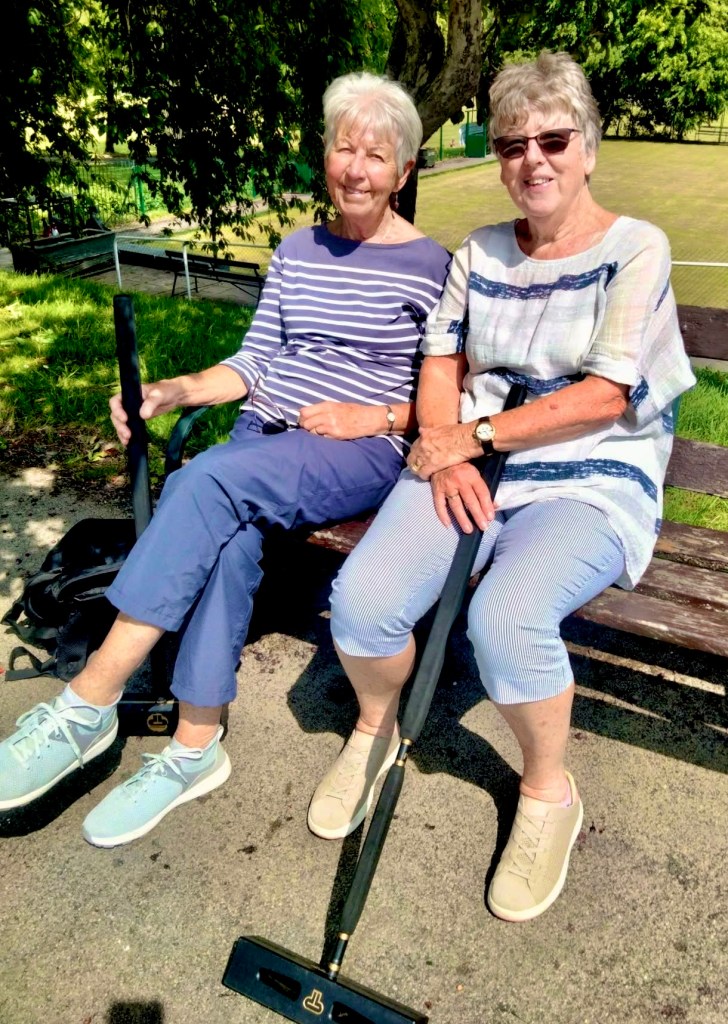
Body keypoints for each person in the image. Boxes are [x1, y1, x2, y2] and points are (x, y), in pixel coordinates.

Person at [0, 72, 451, 846]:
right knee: (229, 534)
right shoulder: (298, 250)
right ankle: (195, 746)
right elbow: (253, 361)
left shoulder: (432, 266)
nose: (356, 169)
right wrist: (172, 390)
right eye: (344, 148)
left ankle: (87, 702)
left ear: (404, 170)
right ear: (325, 154)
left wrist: (375, 415)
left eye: (377, 156)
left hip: (357, 449)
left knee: (202, 481)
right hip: (259, 444)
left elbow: (449, 397)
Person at [308, 52, 695, 922]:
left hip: (590, 474)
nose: (533, 160)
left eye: (553, 140)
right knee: (361, 602)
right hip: (471, 461)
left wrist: (471, 436)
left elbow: (606, 395)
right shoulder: (480, 252)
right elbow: (440, 362)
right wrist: (447, 455)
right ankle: (376, 726)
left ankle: (548, 791)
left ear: (588, 147)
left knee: (505, 617)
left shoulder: (636, 247)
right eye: (512, 144)